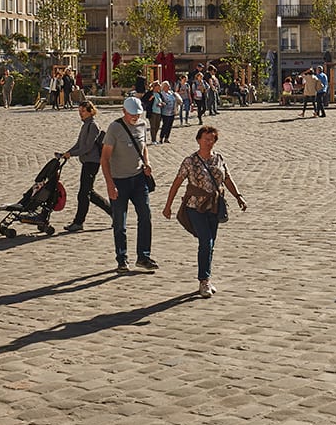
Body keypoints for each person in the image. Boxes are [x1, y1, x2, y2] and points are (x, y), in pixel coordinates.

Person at [161, 125, 248, 298]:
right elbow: (176, 183)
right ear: (198, 139)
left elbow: (227, 179)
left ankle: (206, 276)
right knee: (206, 242)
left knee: (210, 244)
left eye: (212, 139)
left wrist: (238, 197)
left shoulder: (219, 159)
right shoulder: (190, 161)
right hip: (195, 207)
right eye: (205, 139)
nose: (208, 142)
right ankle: (204, 280)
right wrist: (168, 206)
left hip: (214, 207)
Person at [101, 96, 157, 274]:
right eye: (132, 114)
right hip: (119, 181)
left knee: (146, 217)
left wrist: (147, 163)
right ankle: (122, 259)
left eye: (138, 114)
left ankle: (143, 256)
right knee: (120, 222)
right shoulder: (115, 128)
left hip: (139, 179)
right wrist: (110, 184)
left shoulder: (142, 125)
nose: (135, 118)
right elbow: (105, 159)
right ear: (124, 111)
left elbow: (144, 147)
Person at [59, 100, 108, 232]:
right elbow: (79, 144)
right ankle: (114, 212)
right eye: (79, 111)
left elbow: (87, 147)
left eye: (83, 111)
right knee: (89, 193)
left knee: (83, 194)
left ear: (90, 111)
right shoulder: (85, 125)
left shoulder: (92, 125)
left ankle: (78, 222)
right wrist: (67, 153)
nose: (80, 114)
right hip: (86, 162)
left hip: (92, 162)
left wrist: (72, 154)